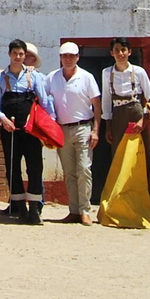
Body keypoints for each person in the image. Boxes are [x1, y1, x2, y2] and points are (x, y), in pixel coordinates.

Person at [0, 39, 54, 224]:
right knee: (12, 167)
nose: (18, 57)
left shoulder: (34, 77)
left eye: (21, 54)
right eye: (15, 54)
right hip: (9, 127)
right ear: (9, 54)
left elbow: (44, 101)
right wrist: (2, 119)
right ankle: (19, 207)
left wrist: (51, 125)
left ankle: (34, 209)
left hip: (31, 128)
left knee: (35, 166)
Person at [50, 42, 101, 224]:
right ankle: (73, 210)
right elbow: (44, 100)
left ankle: (85, 210)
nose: (68, 59)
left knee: (84, 170)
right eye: (65, 56)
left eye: (72, 56)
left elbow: (97, 105)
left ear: (78, 57)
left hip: (83, 128)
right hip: (62, 129)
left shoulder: (87, 77)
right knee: (69, 172)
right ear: (60, 58)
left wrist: (96, 129)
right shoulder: (52, 78)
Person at [101, 38, 150, 182]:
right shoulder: (107, 73)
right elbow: (106, 100)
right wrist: (108, 126)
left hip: (137, 113)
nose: (120, 53)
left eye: (123, 50)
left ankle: (146, 192)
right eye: (117, 50)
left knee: (140, 153)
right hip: (118, 115)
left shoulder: (139, 72)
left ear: (129, 52)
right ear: (111, 53)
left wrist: (144, 120)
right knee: (119, 153)